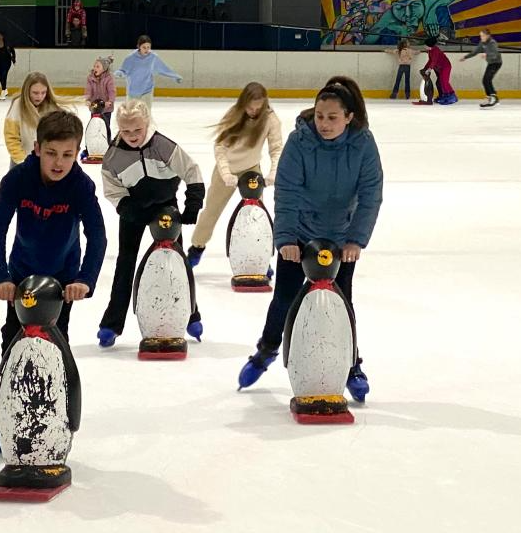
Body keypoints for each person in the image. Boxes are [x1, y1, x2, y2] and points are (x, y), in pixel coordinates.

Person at [237, 78, 384, 402]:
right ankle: (266, 351)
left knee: (342, 304)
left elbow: (371, 194)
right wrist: (287, 238)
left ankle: (351, 366)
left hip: (340, 238)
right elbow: (287, 191)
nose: (324, 124)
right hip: (301, 233)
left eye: (332, 117)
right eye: (319, 116)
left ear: (348, 117)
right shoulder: (300, 141)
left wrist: (356, 240)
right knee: (284, 298)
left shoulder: (363, 144)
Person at [0, 110, 107, 454]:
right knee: (12, 345)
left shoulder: (80, 186)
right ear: (37, 148)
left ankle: (56, 417)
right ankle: (2, 419)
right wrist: (0, 277)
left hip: (62, 281)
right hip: (22, 278)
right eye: (51, 153)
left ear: (77, 153)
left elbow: (97, 235)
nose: (59, 162)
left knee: (55, 348)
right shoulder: (19, 179)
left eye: (67, 154)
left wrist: (84, 280)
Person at [97, 99, 206, 347]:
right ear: (118, 128)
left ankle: (191, 315)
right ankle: (112, 323)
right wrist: (126, 208)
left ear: (147, 123)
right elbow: (112, 189)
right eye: (126, 131)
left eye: (137, 129)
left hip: (165, 208)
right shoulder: (113, 155)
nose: (132, 136)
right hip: (133, 209)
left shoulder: (162, 145)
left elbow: (192, 171)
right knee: (125, 263)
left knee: (177, 263)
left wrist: (192, 204)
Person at [0, 71, 65, 266]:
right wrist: (24, 163)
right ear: (26, 92)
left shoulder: (52, 110)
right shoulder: (17, 108)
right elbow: (12, 138)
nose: (39, 97)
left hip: (46, 168)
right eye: (35, 93)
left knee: (44, 210)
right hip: (21, 166)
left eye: (42, 93)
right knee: (5, 208)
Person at [187, 83, 283, 266]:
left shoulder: (270, 119)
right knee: (211, 212)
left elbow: (276, 148)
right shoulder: (234, 114)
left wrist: (273, 172)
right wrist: (225, 173)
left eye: (258, 108)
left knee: (257, 216)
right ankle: (197, 247)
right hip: (227, 169)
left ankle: (261, 258)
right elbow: (220, 147)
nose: (254, 112)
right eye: (250, 107)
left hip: (251, 169)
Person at [114, 35, 183, 109]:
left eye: (148, 47)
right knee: (131, 114)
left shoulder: (153, 57)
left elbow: (163, 69)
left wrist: (175, 76)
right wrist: (119, 73)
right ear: (139, 46)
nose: (146, 50)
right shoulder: (130, 58)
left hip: (147, 91)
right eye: (144, 47)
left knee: (146, 114)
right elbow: (123, 70)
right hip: (133, 92)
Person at [460, 28, 503, 108]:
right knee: (485, 80)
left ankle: (493, 98)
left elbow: (494, 54)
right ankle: (491, 97)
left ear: (488, 36)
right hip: (491, 63)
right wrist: (465, 57)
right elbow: (475, 52)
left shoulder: (492, 43)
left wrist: (487, 54)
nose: (481, 37)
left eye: (483, 36)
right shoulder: (482, 43)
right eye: (480, 36)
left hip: (496, 63)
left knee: (487, 79)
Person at [84, 56, 116, 142]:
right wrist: (88, 99)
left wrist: (110, 101)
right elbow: (88, 90)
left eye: (98, 66)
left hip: (106, 108)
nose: (95, 68)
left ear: (104, 69)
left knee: (106, 126)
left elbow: (112, 91)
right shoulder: (90, 78)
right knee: (93, 125)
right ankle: (92, 141)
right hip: (95, 107)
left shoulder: (109, 78)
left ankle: (107, 141)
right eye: (94, 66)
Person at [422, 37, 457, 105]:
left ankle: (452, 96)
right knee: (440, 82)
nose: (424, 46)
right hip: (440, 68)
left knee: (444, 81)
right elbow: (430, 60)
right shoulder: (430, 51)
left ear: (429, 45)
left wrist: (429, 69)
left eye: (425, 45)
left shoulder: (435, 50)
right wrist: (425, 68)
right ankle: (444, 96)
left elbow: (434, 61)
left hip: (445, 66)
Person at [0, 31, 16, 101]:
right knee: (0, 77)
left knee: (4, 75)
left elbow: (13, 51)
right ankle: (5, 90)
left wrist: (13, 59)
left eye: (0, 36)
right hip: (0, 63)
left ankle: (3, 92)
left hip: (7, 63)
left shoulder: (8, 45)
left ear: (2, 36)